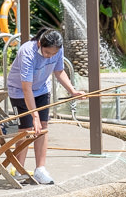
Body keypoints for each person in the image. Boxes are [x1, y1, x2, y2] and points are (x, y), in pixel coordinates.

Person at [6, 29, 84, 185]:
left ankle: (40, 169)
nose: (49, 56)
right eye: (47, 52)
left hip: (41, 89)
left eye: (52, 54)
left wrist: (72, 91)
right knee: (25, 129)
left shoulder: (58, 49)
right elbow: (26, 88)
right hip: (20, 91)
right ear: (40, 43)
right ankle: (19, 169)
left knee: (43, 127)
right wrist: (34, 116)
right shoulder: (27, 52)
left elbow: (59, 71)